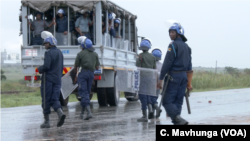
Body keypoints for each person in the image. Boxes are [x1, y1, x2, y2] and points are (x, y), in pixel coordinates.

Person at [157, 22, 192, 125]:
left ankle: (177, 119)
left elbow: (167, 62)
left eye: (173, 32)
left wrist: (161, 78)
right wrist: (189, 82)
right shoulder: (187, 47)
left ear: (179, 33)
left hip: (174, 77)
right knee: (178, 102)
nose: (170, 34)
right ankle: (178, 124)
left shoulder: (173, 45)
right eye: (170, 32)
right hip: (183, 77)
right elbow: (189, 67)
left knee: (166, 101)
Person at [38, 31, 66, 128]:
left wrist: (39, 69)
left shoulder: (48, 53)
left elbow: (46, 66)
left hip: (48, 80)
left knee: (46, 99)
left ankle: (47, 122)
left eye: (46, 43)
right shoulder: (59, 53)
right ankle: (60, 113)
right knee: (55, 98)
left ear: (50, 44)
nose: (45, 45)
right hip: (58, 79)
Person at [74, 36, 100, 120]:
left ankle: (89, 112)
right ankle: (82, 113)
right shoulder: (95, 54)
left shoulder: (80, 54)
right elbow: (97, 68)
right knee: (86, 93)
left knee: (83, 93)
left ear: (83, 46)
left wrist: (75, 76)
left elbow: (76, 67)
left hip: (83, 74)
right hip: (91, 74)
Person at [136, 38, 156, 122]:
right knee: (148, 94)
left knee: (142, 95)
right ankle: (150, 109)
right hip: (151, 78)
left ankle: (144, 116)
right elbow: (154, 68)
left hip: (143, 78)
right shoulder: (152, 56)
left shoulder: (140, 56)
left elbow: (138, 68)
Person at [150, 48, 163, 118]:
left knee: (151, 98)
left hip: (151, 84)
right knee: (155, 97)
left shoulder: (150, 64)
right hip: (159, 84)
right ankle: (154, 111)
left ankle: (155, 109)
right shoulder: (162, 65)